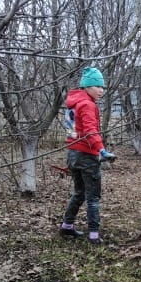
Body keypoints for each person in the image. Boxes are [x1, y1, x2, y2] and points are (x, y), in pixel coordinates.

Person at [59, 67, 116, 244]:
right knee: (93, 197)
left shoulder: (73, 103)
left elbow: (72, 130)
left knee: (79, 193)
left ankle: (67, 226)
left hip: (73, 154)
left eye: (102, 87)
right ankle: (94, 235)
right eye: (97, 86)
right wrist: (101, 150)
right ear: (87, 86)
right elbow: (91, 130)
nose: (101, 90)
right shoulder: (87, 105)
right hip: (86, 156)